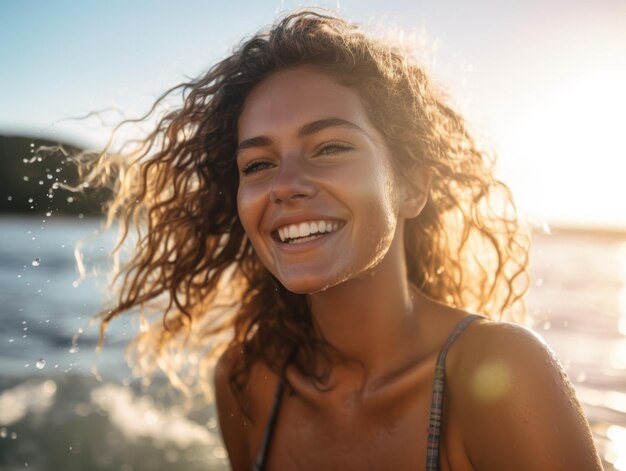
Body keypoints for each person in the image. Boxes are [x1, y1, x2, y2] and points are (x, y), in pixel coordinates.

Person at [85, 9, 602, 470]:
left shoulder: (500, 374)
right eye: (258, 164)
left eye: (330, 147)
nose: (285, 185)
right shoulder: (247, 382)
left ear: (412, 185)